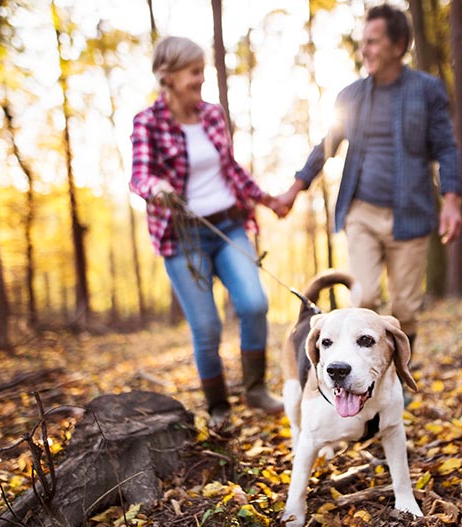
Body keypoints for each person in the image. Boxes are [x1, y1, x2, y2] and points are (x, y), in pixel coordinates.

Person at [278, 4, 462, 352]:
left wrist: (452, 201)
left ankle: (398, 372)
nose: (365, 49)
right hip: (361, 211)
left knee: (405, 310)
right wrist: (294, 189)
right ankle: (363, 380)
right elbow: (325, 147)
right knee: (362, 296)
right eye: (364, 42)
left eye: (374, 42)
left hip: (411, 215)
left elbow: (446, 149)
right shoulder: (351, 96)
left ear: (398, 46)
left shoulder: (427, 91)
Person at [130, 36, 284, 428]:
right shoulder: (148, 122)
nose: (201, 78)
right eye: (194, 71)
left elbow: (231, 169)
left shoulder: (213, 115)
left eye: (202, 70)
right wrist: (156, 189)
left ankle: (255, 388)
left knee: (253, 303)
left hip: (228, 224)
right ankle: (218, 407)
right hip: (182, 237)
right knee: (207, 327)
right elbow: (139, 176)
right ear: (169, 76)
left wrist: (265, 199)